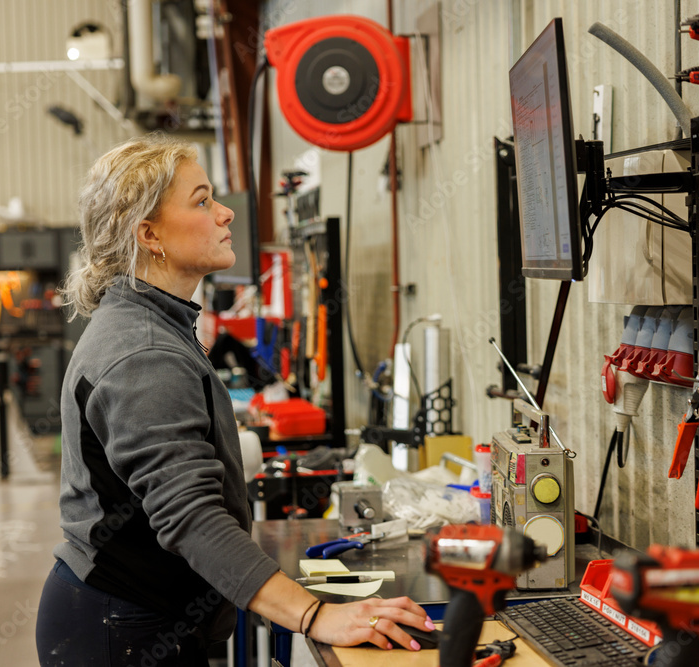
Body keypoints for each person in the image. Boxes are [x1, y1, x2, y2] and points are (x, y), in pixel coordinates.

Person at [35, 135, 433, 666]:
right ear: (148, 234)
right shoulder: (143, 353)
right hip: (124, 630)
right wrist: (316, 615)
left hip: (134, 617)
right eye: (201, 201)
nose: (224, 213)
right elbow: (191, 518)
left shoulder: (152, 324)